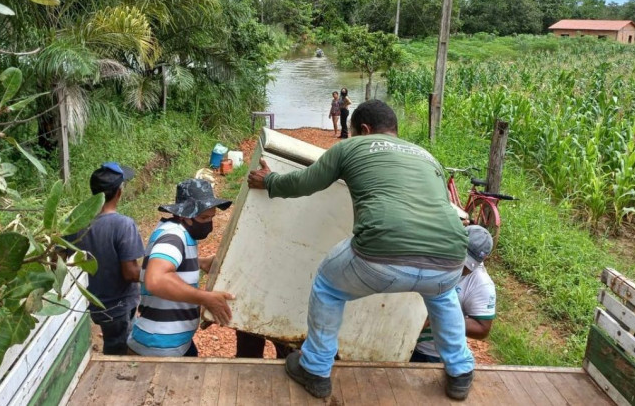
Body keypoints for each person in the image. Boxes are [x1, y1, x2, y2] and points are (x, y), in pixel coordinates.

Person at [248, 100, 474, 400]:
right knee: (443, 297)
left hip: (380, 253)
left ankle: (315, 368)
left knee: (328, 287)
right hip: (451, 257)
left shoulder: (351, 148)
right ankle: (460, 372)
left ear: (363, 130)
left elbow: (306, 182)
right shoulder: (427, 156)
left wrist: (271, 181)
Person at [127, 179, 235, 357]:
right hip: (160, 347)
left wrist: (198, 262)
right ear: (185, 215)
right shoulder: (174, 236)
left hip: (171, 343)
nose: (209, 224)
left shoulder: (177, 231)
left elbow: (162, 264)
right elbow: (156, 279)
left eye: (211, 217)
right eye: (203, 218)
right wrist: (205, 298)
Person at [70, 162, 145, 355]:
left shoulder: (75, 222)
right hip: (119, 305)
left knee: (115, 342)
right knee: (119, 351)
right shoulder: (123, 225)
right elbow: (130, 273)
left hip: (93, 302)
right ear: (119, 192)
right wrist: (158, 273)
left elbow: (60, 257)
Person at [412, 225, 496, 363]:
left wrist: (439, 317)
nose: (459, 267)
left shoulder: (481, 284)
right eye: (458, 258)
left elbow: (482, 328)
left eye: (467, 266)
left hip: (433, 354)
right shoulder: (432, 252)